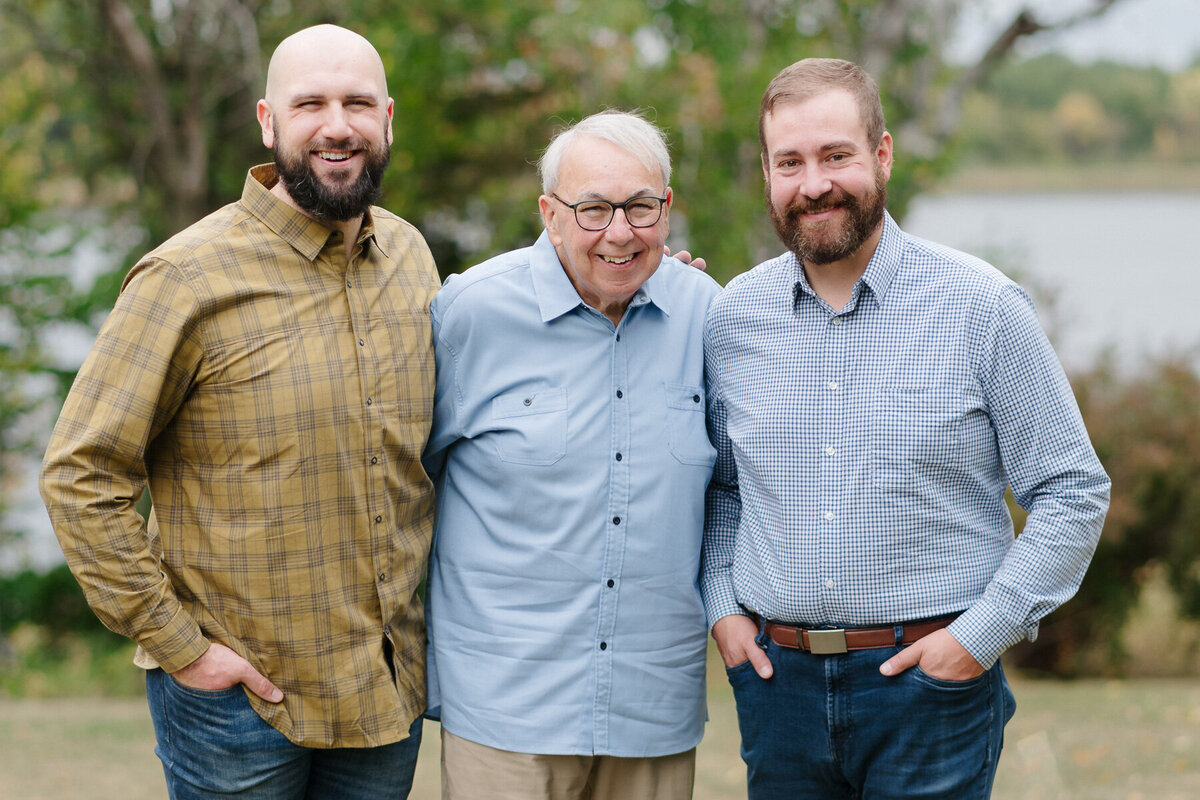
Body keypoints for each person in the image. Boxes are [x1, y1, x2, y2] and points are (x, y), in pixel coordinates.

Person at [38, 25, 438, 799]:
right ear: (268, 121)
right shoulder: (185, 277)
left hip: (385, 698)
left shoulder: (411, 259)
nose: (336, 125)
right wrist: (182, 649)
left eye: (357, 102)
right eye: (309, 103)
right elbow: (80, 475)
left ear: (387, 119)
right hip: (239, 710)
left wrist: (638, 287)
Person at [701, 58, 1111, 799]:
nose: (813, 183)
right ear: (766, 171)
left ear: (882, 155)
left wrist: (974, 640)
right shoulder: (732, 319)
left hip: (932, 689)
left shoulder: (982, 309)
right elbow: (724, 490)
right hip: (777, 688)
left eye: (836, 156)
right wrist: (724, 609)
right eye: (789, 162)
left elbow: (1072, 492)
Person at [423, 110, 720, 800]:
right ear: (550, 214)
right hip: (505, 712)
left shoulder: (708, 315)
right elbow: (406, 487)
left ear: (667, 210)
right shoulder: (470, 312)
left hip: (653, 712)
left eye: (640, 207)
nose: (619, 232)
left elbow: (735, 491)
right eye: (592, 209)